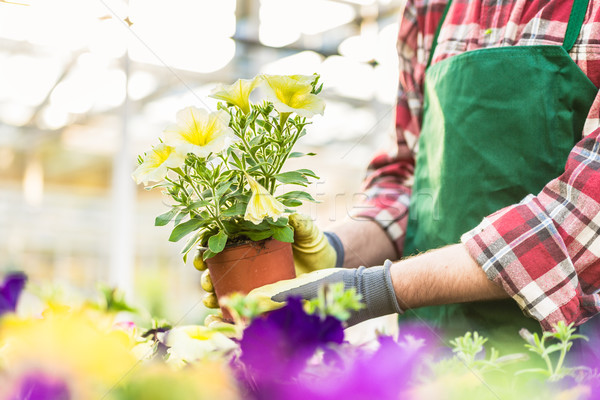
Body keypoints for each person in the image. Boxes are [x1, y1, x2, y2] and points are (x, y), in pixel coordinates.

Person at [201, 0, 600, 349]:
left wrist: (367, 289)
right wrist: (334, 252)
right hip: (430, 351)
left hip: (564, 362)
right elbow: (407, 175)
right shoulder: (429, 8)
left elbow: (582, 220)